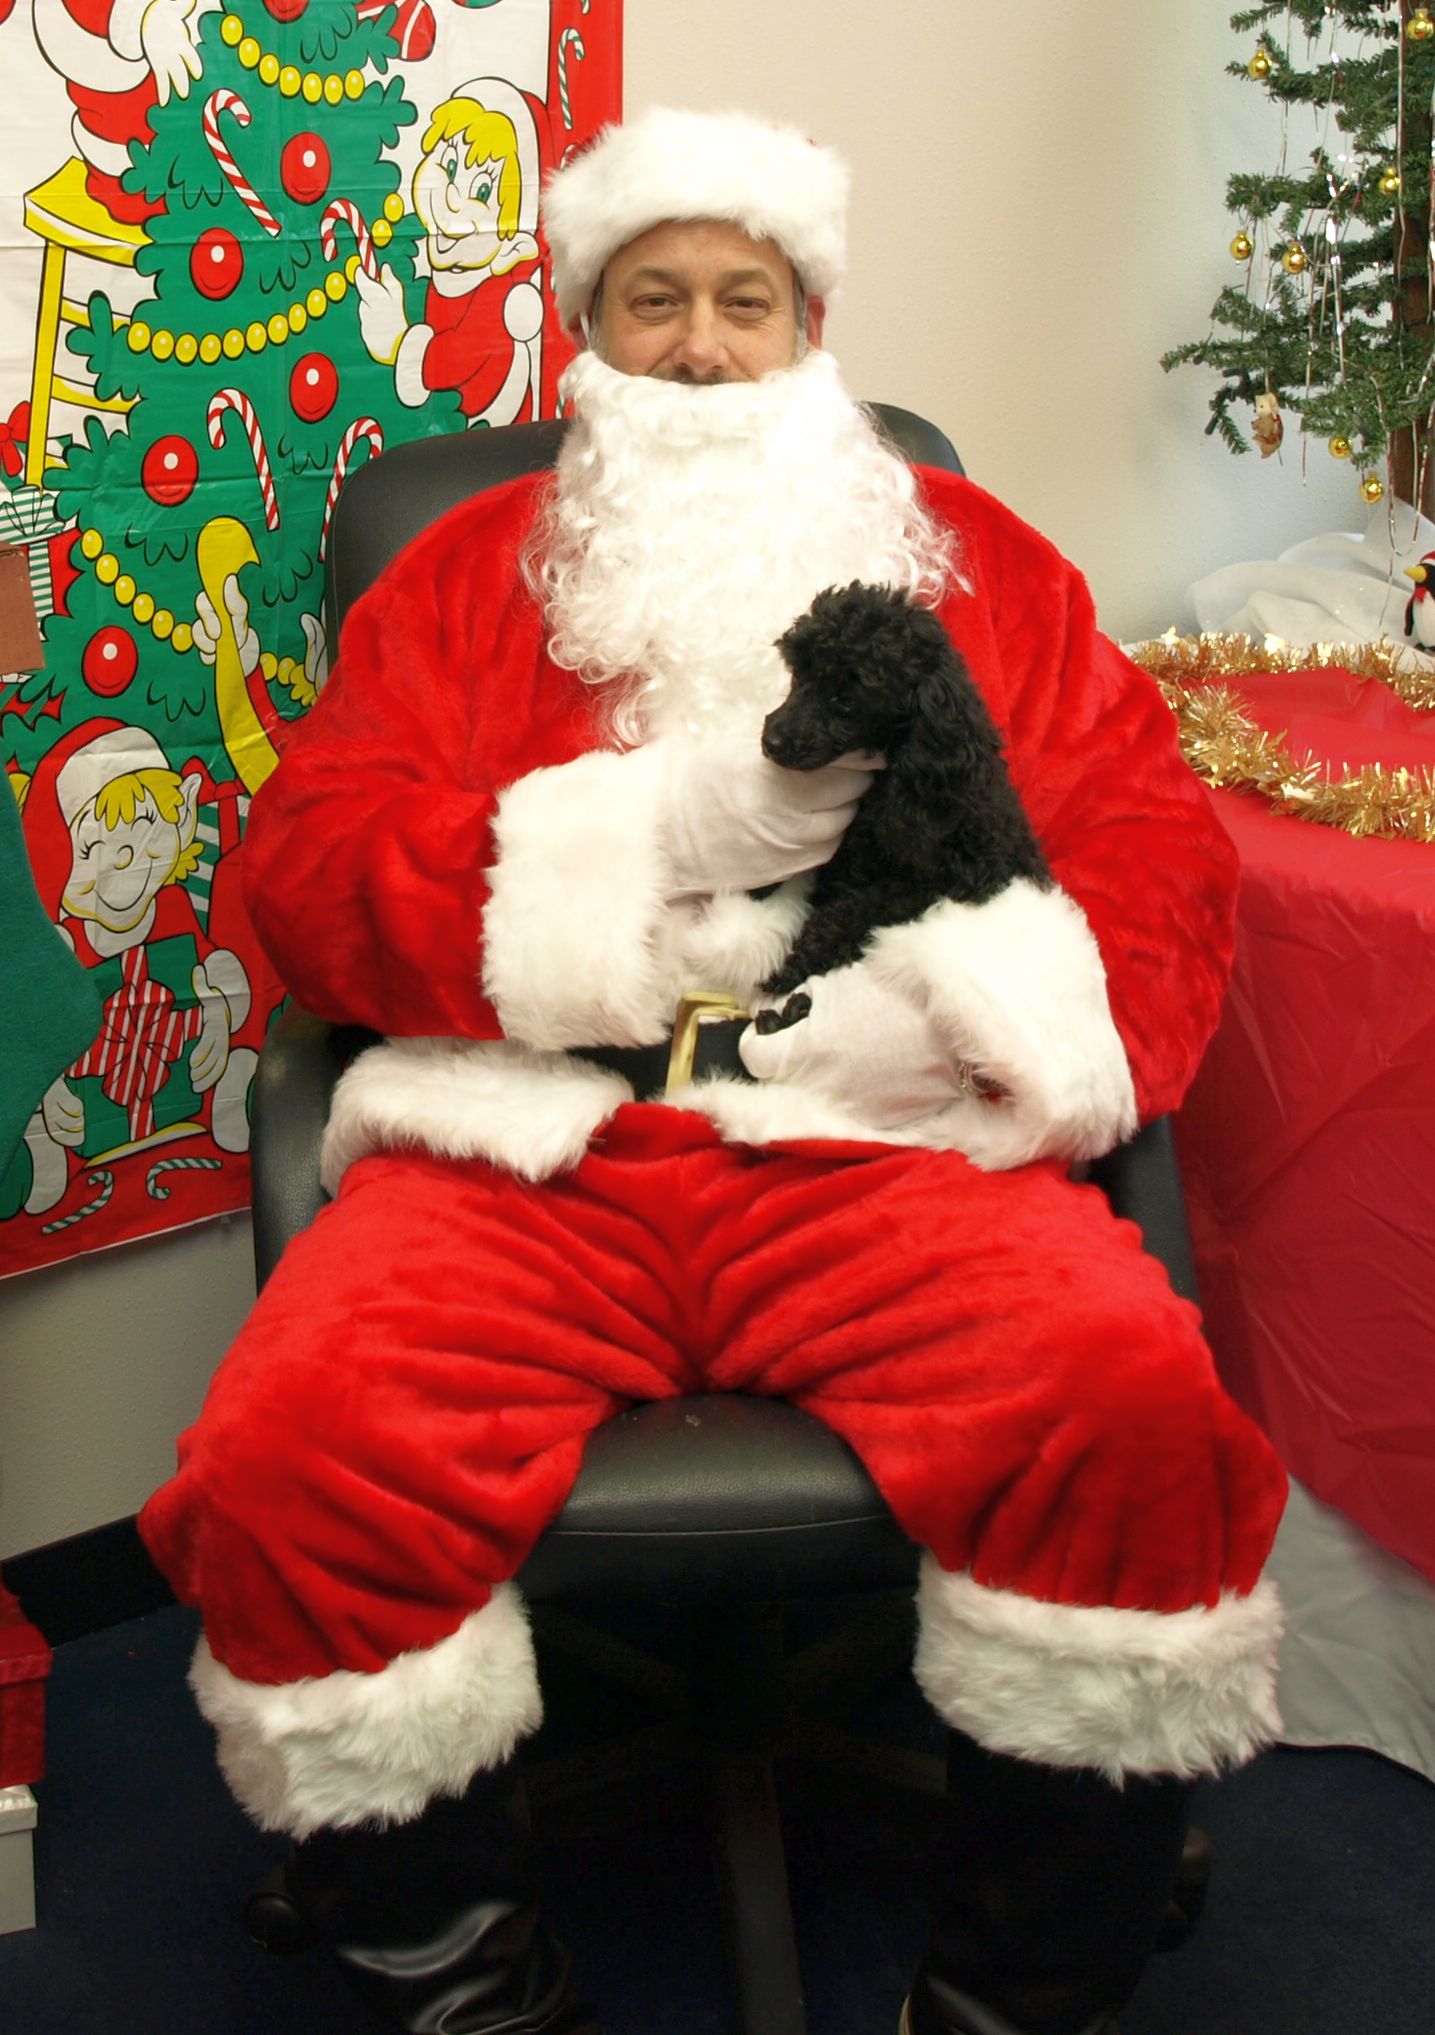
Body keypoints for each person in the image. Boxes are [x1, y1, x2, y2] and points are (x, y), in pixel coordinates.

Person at [138, 107, 1289, 2035]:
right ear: (588, 336)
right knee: (292, 1461)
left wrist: (985, 1024)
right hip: (528, 1146)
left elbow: (1155, 851)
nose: (696, 347)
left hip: (888, 1148)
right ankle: (473, 1988)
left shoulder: (984, 568)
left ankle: (1021, 1990)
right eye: (650, 301)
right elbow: (309, 871)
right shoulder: (465, 581)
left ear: (810, 329)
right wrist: (646, 848)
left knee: (1130, 1417)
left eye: (742, 303)